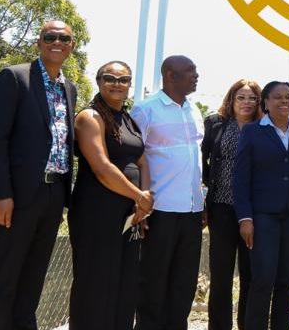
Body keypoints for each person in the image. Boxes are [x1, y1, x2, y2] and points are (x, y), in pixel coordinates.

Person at [0, 20, 79, 330]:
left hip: (53, 197)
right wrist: (1, 193)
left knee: (34, 278)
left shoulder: (70, 88)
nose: (57, 42)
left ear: (71, 46)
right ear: (40, 42)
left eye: (64, 38)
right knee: (5, 278)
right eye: (50, 36)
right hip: (17, 196)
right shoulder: (14, 77)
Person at [69, 61, 154, 330]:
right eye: (110, 78)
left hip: (128, 214)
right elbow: (102, 168)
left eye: (123, 79)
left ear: (130, 85)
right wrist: (140, 197)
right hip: (96, 212)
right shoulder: (89, 117)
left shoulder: (128, 119)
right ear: (98, 81)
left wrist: (145, 201)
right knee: (96, 283)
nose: (116, 83)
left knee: (124, 284)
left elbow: (142, 161)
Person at [233, 81, 289, 330]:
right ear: (266, 102)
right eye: (278, 97)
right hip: (263, 217)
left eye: (288, 96)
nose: (284, 101)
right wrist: (245, 218)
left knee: (286, 282)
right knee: (262, 279)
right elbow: (241, 179)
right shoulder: (252, 132)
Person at [131, 55, 205, 330]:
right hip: (159, 210)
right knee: (152, 281)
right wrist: (139, 201)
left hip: (192, 211)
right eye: (190, 71)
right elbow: (134, 158)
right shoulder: (146, 110)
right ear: (170, 76)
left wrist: (202, 201)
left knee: (183, 283)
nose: (196, 76)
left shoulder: (194, 110)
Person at [202, 79, 263, 330]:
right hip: (221, 207)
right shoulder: (215, 124)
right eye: (241, 97)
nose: (246, 102)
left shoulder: (264, 128)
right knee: (221, 275)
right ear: (232, 98)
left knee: (250, 275)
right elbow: (202, 159)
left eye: (252, 98)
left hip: (253, 211)